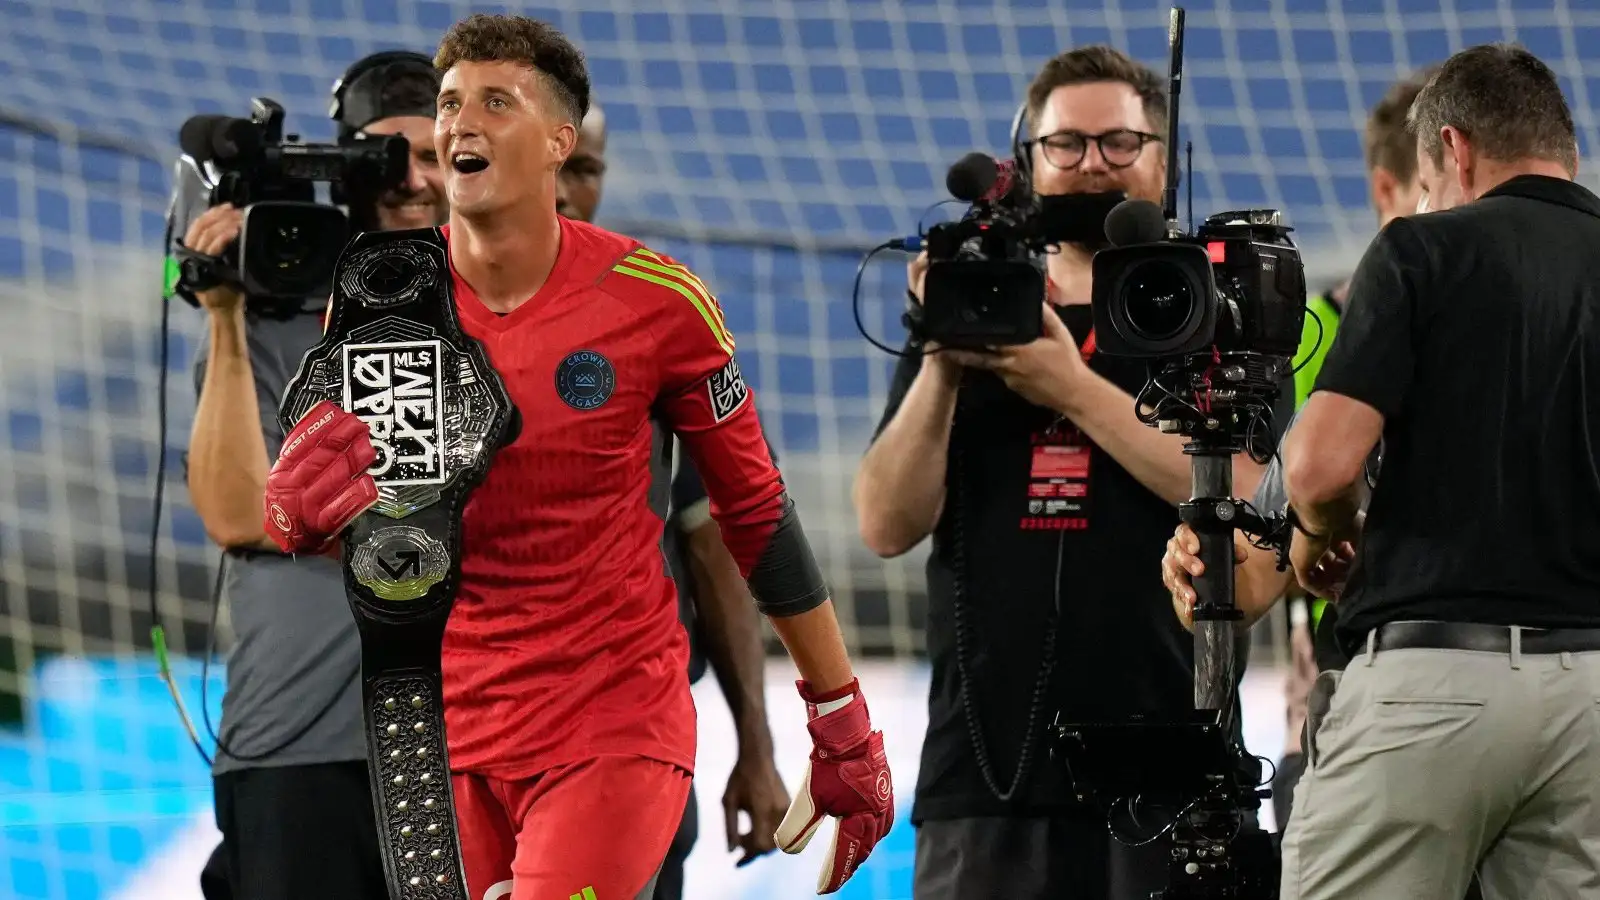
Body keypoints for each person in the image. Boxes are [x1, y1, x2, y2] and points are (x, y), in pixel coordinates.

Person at [261, 15, 892, 900]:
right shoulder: (379, 301)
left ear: (561, 141)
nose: (458, 124)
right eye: (448, 104)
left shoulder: (659, 301)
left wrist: (841, 720)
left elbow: (754, 514)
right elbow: (396, 536)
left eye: (495, 102)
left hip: (614, 719)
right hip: (440, 730)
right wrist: (311, 521)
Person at [852, 44, 1273, 900]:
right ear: (1027, 160)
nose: (1092, 167)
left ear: (1166, 156)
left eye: (1120, 142)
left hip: (1169, 768)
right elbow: (885, 526)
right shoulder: (981, 299)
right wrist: (942, 358)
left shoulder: (1213, 306)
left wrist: (1071, 388)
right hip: (986, 774)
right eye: (1067, 146)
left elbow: (1251, 491)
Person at [1222, 43, 1600, 899]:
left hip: (1432, 686)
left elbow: (1319, 467)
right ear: (1565, 153)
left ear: (1455, 151)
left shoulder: (1420, 252)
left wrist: (1321, 538)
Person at [183, 50, 446, 900]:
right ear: (341, 174)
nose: (410, 181)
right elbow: (233, 514)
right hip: (297, 746)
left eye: (436, 155)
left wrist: (312, 514)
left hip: (471, 745)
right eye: (383, 158)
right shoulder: (267, 321)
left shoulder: (515, 322)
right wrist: (224, 312)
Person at [1162, 65, 1435, 834]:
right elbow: (1265, 534)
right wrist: (1208, 563)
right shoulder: (1308, 335)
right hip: (1348, 689)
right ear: (1391, 188)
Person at [553, 103, 792, 898]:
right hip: (464, 742)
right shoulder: (417, 319)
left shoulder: (653, 323)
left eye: (583, 169)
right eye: (550, 165)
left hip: (628, 743)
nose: (561, 191)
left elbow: (717, 545)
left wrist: (757, 749)